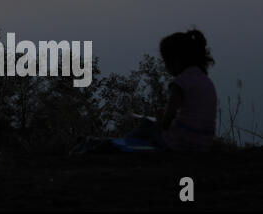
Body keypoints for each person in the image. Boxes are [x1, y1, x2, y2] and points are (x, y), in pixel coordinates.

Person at [71, 28, 217, 154]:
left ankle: (116, 145)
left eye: (166, 62)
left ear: (176, 60)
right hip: (203, 144)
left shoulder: (180, 83)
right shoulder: (206, 81)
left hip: (181, 143)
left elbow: (168, 118)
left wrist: (159, 123)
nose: (165, 67)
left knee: (146, 125)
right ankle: (105, 143)